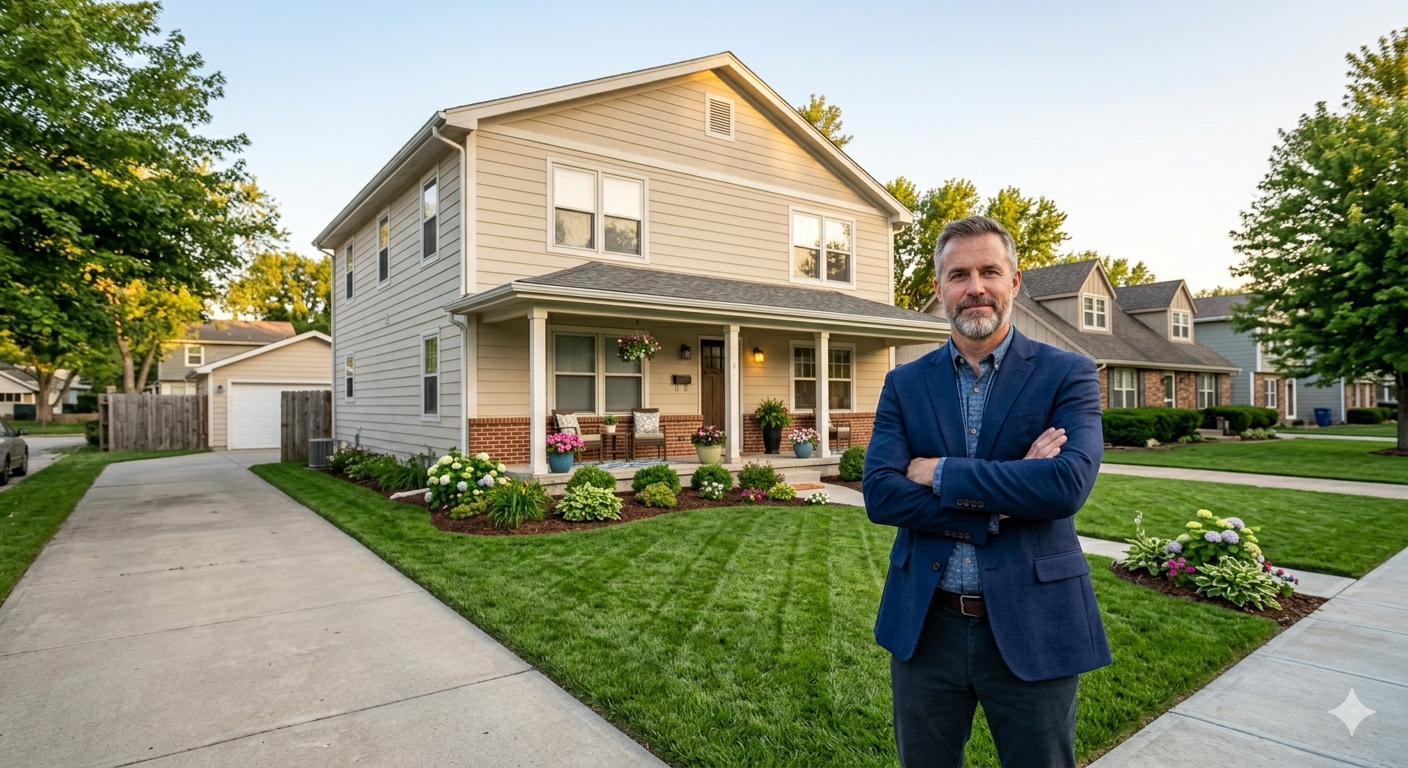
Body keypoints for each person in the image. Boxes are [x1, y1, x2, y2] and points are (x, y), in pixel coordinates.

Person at [862, 216, 1110, 768]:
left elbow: (1065, 485)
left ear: (1015, 282)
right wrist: (1003, 498)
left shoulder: (1067, 373)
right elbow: (880, 494)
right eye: (959, 274)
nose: (975, 287)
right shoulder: (905, 382)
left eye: (989, 271)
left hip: (1034, 620)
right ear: (939, 289)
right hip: (928, 626)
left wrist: (938, 472)